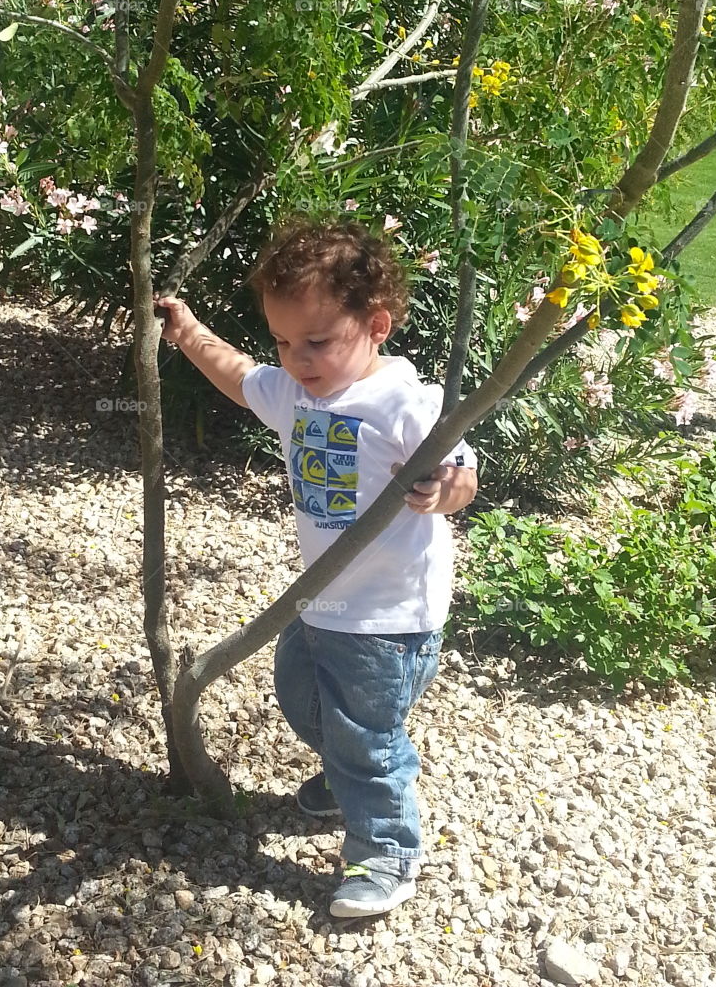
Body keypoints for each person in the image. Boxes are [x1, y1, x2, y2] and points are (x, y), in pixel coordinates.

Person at [156, 216, 478, 918]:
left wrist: (437, 492)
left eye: (318, 342)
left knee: (364, 733)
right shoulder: (299, 393)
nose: (297, 358)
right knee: (300, 691)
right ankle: (352, 770)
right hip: (322, 601)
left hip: (386, 614)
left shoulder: (403, 402)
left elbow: (464, 480)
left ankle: (387, 848)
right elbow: (240, 377)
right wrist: (187, 333)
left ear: (377, 326)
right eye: (283, 341)